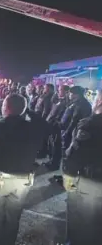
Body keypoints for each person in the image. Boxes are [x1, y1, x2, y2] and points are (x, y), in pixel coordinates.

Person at [0, 94, 44, 245]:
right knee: (13, 215)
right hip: (23, 180)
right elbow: (43, 153)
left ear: (6, 107)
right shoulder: (35, 129)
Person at [62, 90, 102, 245]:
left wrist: (68, 175)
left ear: (99, 101)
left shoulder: (90, 124)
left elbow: (76, 153)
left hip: (90, 181)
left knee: (80, 221)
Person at [53, 86, 92, 184]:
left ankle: (68, 180)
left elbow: (74, 122)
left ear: (76, 94)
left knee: (69, 157)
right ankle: (64, 175)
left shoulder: (82, 105)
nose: (69, 95)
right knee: (66, 157)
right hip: (67, 133)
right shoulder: (75, 103)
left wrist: (67, 133)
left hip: (72, 135)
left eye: (70, 93)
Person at [45, 85, 70, 170]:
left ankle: (54, 164)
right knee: (52, 145)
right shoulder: (59, 100)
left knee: (56, 146)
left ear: (66, 92)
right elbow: (53, 104)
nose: (58, 92)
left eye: (60, 90)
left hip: (58, 127)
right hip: (53, 125)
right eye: (58, 90)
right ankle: (51, 161)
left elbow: (62, 116)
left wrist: (56, 122)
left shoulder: (66, 103)